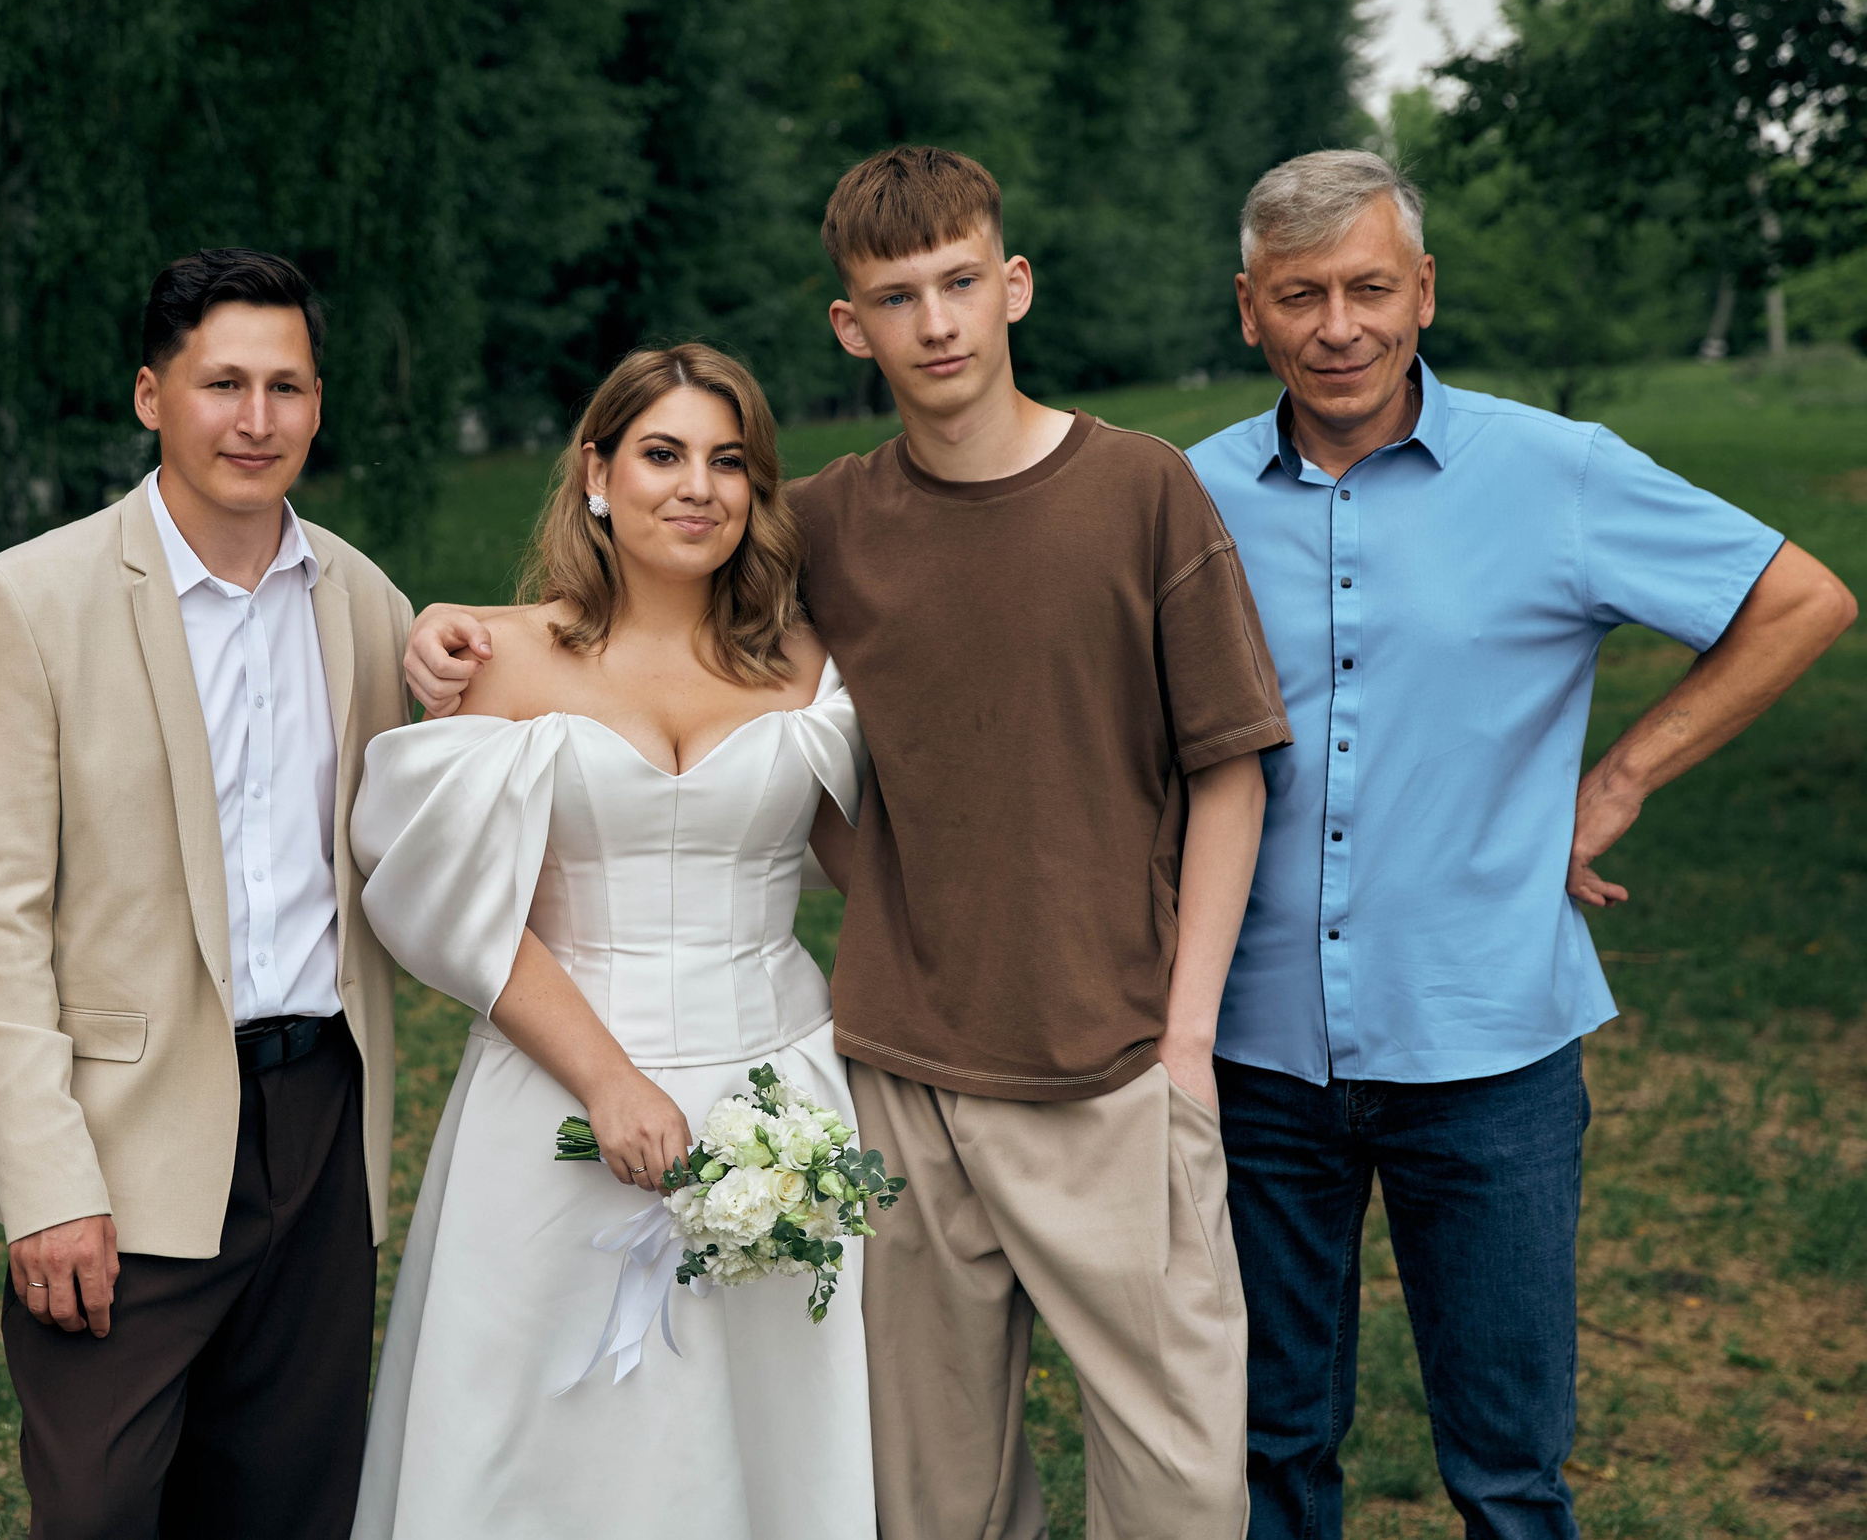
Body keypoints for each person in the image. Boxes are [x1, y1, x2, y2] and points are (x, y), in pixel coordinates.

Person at [409, 145, 1281, 1539]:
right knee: (931, 1497)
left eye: (956, 284)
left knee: (1182, 1492)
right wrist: (457, 634)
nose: (933, 322)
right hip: (895, 1084)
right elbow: (655, 613)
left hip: (1110, 1061)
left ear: (1013, 286)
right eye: (894, 294)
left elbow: (1231, 770)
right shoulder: (823, 525)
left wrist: (1186, 1038)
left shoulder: (1144, 490)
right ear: (850, 325)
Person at [1185, 149, 1858, 1540]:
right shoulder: (1179, 501)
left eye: (1370, 287)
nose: (1339, 325)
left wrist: (1620, 776)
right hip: (1249, 1053)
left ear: (1423, 291)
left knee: (1507, 1467)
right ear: (1248, 310)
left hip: (1489, 1045)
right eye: (1300, 294)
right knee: (1263, 1451)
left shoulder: (1556, 472)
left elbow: (1800, 601)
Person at [351, 342, 874, 1538]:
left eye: (728, 461)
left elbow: (873, 865)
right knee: (542, 1436)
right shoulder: (503, 656)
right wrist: (610, 1082)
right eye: (662, 453)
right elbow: (465, 912)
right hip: (558, 1092)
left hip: (780, 1085)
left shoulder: (805, 663)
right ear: (596, 472)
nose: (697, 486)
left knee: (760, 1433)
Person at [0, 248, 413, 1539]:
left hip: (321, 1124)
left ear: (319, 404)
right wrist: (45, 1180)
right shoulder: (26, 600)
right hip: (124, 1137)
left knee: (288, 1506)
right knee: (98, 1506)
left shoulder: (366, 602)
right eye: (222, 384)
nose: (255, 420)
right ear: (152, 395)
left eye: (287, 386)